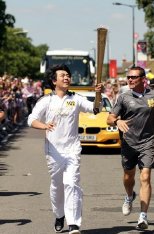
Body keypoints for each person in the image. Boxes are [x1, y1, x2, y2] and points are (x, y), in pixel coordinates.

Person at [27, 64, 103, 234]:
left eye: (68, 75)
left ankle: (74, 223)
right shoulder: (46, 100)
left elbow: (95, 109)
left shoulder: (76, 98)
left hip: (72, 149)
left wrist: (98, 94)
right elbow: (31, 119)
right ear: (54, 81)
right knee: (57, 186)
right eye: (62, 75)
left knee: (71, 183)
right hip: (53, 150)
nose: (67, 77)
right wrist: (44, 125)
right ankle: (59, 214)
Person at [107, 66, 154, 230]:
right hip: (129, 142)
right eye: (128, 77)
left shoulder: (152, 95)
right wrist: (117, 121)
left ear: (143, 79)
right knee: (128, 176)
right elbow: (109, 117)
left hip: (148, 142)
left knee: (146, 176)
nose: (130, 80)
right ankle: (129, 196)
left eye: (134, 77)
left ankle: (143, 217)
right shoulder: (124, 97)